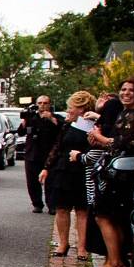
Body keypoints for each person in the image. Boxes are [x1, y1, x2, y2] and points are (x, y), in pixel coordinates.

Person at [89, 77, 134, 267]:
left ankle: (116, 262)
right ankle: (114, 260)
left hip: (124, 175)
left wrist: (100, 139)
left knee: (104, 216)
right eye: (123, 89)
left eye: (130, 90)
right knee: (111, 218)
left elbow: (121, 145)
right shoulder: (126, 114)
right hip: (117, 172)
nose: (125, 93)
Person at [40, 91, 96, 257]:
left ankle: (82, 247)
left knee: (82, 210)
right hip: (63, 169)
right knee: (62, 208)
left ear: (82, 109)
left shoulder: (92, 126)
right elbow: (57, 147)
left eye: (72, 107)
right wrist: (46, 168)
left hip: (82, 169)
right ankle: (63, 243)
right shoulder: (67, 125)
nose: (69, 110)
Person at [19, 95, 63, 214]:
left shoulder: (56, 117)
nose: (42, 105)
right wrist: (24, 122)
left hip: (49, 154)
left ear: (50, 104)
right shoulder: (31, 117)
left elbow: (62, 130)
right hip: (32, 154)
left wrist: (52, 119)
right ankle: (37, 204)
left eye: (45, 103)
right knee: (32, 181)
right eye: (40, 103)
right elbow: (21, 132)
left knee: (51, 181)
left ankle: (52, 205)